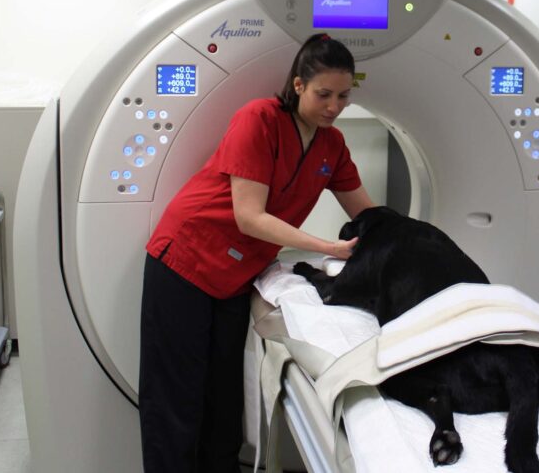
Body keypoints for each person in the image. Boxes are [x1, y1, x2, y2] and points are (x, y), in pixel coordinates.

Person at [138, 33, 375, 473]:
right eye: (324, 94)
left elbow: (367, 212)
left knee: (223, 395)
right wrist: (328, 247)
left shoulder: (332, 145)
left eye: (344, 96)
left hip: (236, 275)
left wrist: (404, 241)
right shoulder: (259, 119)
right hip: (186, 259)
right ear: (299, 84)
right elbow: (249, 217)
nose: (334, 106)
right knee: (176, 395)